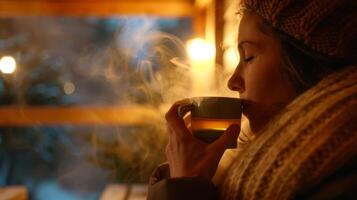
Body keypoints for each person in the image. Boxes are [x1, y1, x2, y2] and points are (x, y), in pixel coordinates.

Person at [148, 0, 357, 199]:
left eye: (248, 56)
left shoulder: (340, 182)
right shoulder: (260, 165)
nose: (232, 82)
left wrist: (185, 185)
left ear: (304, 63)